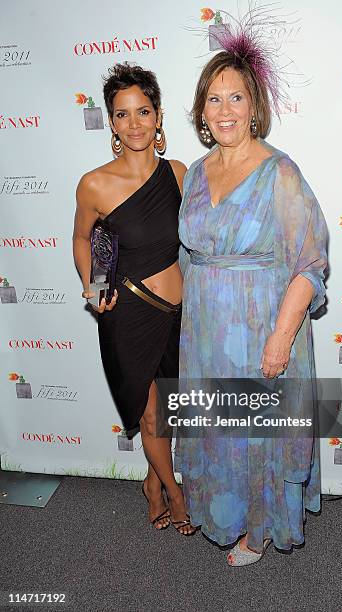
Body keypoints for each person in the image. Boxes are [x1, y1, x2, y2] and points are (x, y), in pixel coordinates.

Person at [175, 33, 328, 563]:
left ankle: (258, 530)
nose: (224, 110)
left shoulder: (280, 173)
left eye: (236, 97)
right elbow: (190, 256)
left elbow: (310, 264)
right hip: (207, 336)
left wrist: (280, 340)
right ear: (201, 111)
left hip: (261, 328)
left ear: (254, 106)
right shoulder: (196, 174)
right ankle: (226, 512)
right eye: (213, 99)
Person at [73, 63, 195, 535]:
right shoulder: (94, 184)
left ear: (159, 116)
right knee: (149, 412)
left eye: (143, 111)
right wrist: (92, 283)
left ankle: (151, 482)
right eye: (122, 115)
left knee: (167, 413)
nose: (134, 124)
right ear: (111, 123)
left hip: (179, 315)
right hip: (127, 312)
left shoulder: (180, 174)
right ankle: (175, 494)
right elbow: (84, 239)